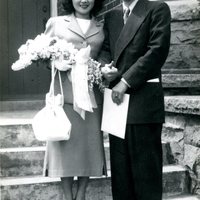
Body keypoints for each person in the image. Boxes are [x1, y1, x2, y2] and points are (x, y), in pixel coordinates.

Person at [100, 0, 171, 200]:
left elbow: (157, 51)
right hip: (116, 103)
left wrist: (125, 81)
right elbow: (106, 49)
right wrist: (104, 68)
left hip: (143, 101)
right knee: (121, 177)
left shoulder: (157, 9)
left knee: (145, 177)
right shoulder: (112, 15)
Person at [43, 0, 106, 200]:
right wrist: (57, 61)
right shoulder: (57, 22)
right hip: (65, 96)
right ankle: (68, 195)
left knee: (88, 146)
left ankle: (81, 194)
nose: (84, 1)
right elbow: (43, 55)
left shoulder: (101, 26)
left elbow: (105, 55)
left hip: (90, 96)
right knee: (66, 147)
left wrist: (102, 68)